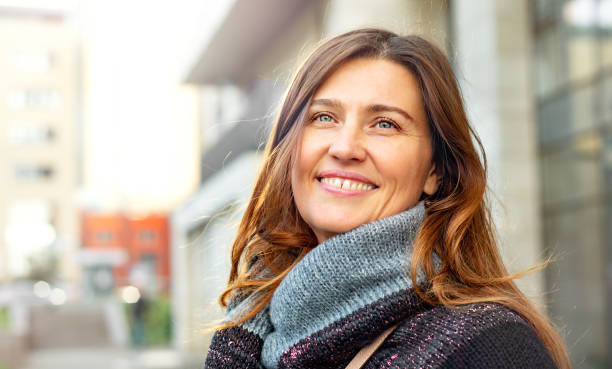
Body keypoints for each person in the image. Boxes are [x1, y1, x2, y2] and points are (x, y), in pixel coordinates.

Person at [204, 28, 570, 369]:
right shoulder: (252, 326)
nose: (345, 147)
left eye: (385, 124)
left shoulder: (490, 346)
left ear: (435, 171)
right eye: (324, 117)